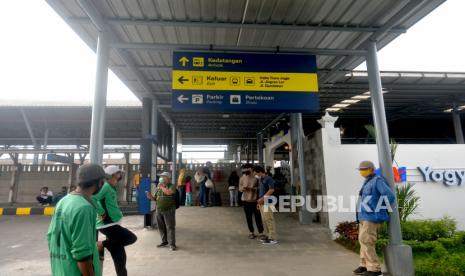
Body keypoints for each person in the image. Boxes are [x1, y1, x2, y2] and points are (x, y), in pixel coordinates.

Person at [47, 163, 105, 276]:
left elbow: (50, 236)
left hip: (60, 270)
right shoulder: (84, 208)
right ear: (99, 182)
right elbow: (82, 256)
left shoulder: (63, 201)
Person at [93, 165, 137, 276]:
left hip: (113, 223)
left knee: (120, 255)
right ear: (112, 175)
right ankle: (101, 244)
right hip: (107, 224)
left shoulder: (111, 187)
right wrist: (101, 212)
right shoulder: (106, 187)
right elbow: (93, 199)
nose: (120, 175)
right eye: (118, 173)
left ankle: (122, 274)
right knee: (131, 237)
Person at [353, 161, 395, 276]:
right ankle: (364, 265)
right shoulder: (367, 182)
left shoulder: (377, 181)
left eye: (364, 169)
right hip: (363, 216)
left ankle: (375, 269)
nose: (362, 171)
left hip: (371, 217)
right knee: (362, 240)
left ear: (371, 169)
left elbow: (390, 196)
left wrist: (378, 208)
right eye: (360, 169)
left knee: (367, 241)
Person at [147, 172, 177, 251]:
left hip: (169, 209)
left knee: (170, 227)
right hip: (159, 210)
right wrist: (150, 196)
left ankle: (172, 244)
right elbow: (155, 198)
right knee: (161, 227)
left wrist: (162, 187)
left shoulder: (172, 186)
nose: (161, 178)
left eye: (163, 176)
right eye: (161, 177)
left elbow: (169, 192)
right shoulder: (158, 187)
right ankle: (164, 241)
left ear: (168, 178)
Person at [239, 164, 265, 240]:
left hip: (255, 200)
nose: (245, 171)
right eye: (244, 169)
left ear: (251, 169)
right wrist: (243, 189)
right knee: (248, 217)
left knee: (258, 217)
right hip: (246, 200)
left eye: (247, 169)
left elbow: (260, 187)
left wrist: (253, 189)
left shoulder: (256, 178)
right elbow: (240, 187)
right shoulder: (242, 178)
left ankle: (261, 233)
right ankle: (251, 232)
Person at [254, 165, 278, 245]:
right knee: (265, 220)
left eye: (255, 172)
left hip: (268, 200)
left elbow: (271, 190)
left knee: (269, 219)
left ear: (259, 172)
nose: (255, 174)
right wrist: (259, 202)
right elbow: (262, 191)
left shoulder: (269, 179)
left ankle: (273, 238)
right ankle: (269, 236)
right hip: (262, 201)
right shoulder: (261, 179)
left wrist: (262, 198)